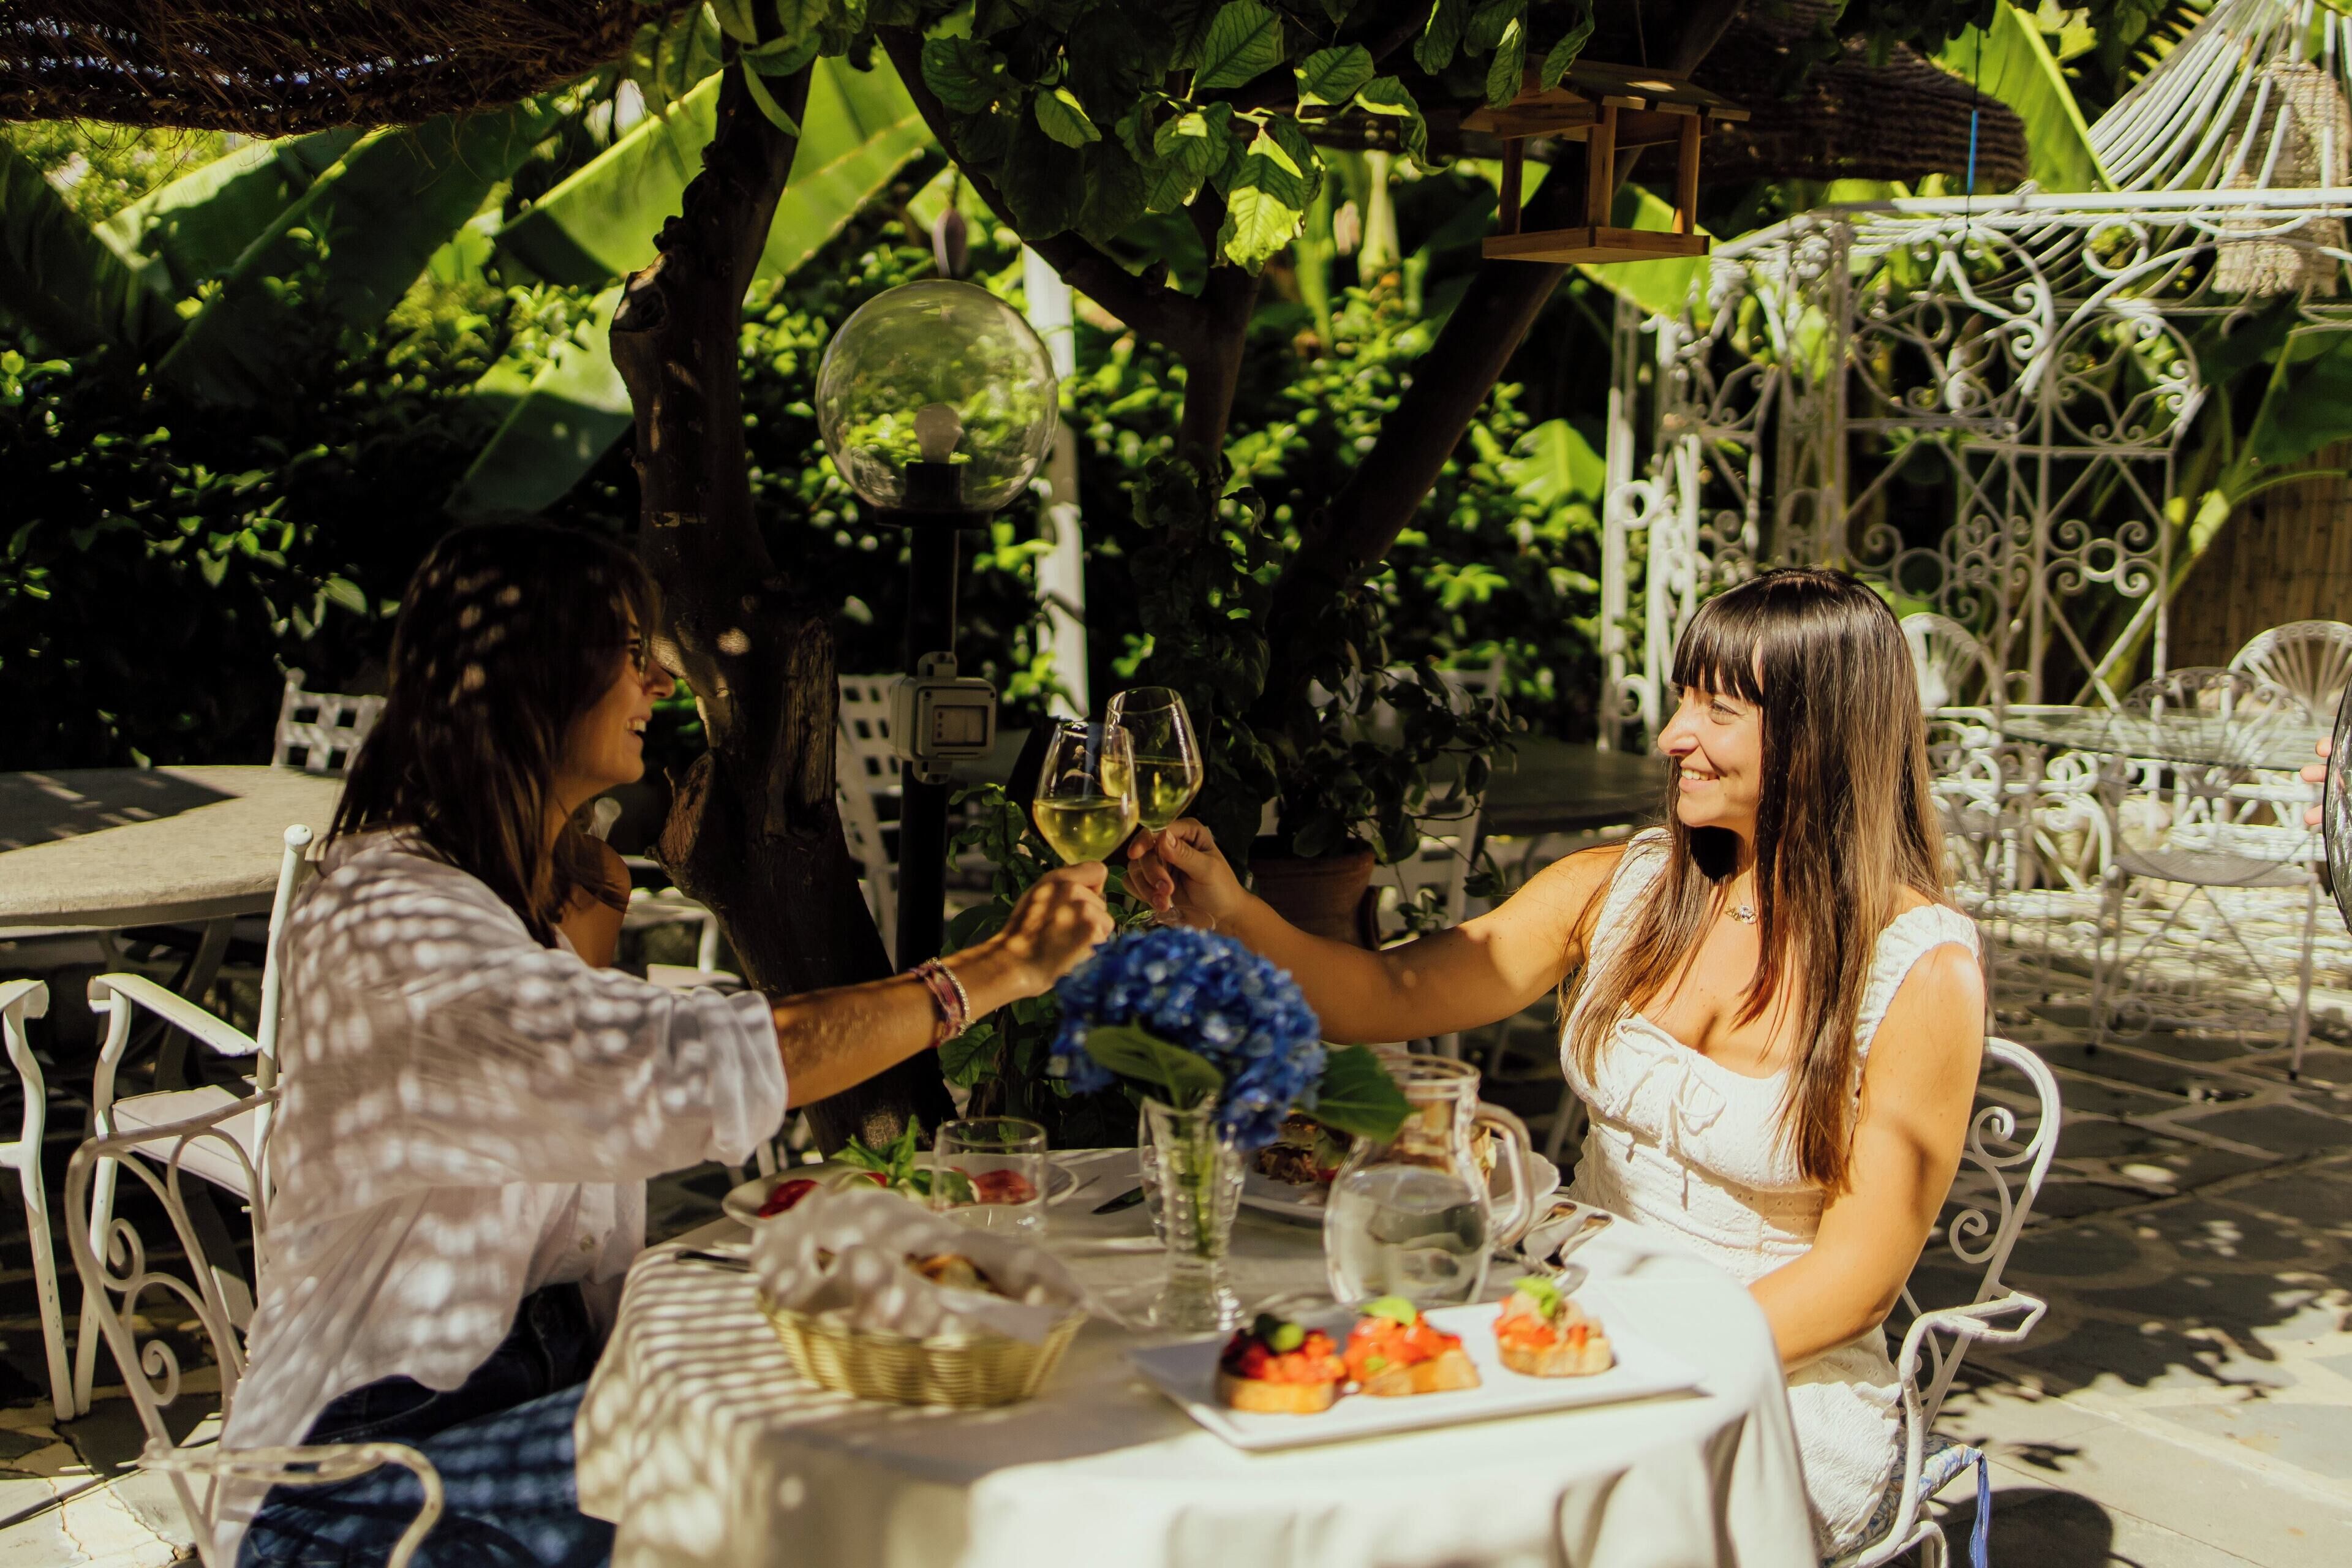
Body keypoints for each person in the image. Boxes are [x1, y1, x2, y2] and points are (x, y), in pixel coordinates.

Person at [224, 523, 1112, 1567]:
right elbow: (657, 1068)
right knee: (813, 1474)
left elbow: (559, 1122)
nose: (660, 683)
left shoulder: (506, 900)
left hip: (536, 1396)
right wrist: (994, 970)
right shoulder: (391, 920)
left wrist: (580, 932)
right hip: (356, 1483)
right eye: (629, 652)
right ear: (535, 674)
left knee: (875, 1412)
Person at [1129, 567, 1986, 1556]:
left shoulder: (1917, 970)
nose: (1673, 737)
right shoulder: (1624, 887)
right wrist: (1230, 910)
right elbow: (1390, 996)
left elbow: (1855, 1282)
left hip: (1763, 1386)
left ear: (1823, 734)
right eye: (1681, 699)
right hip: (1565, 1304)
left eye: (1717, 708)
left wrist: (1614, 1359)